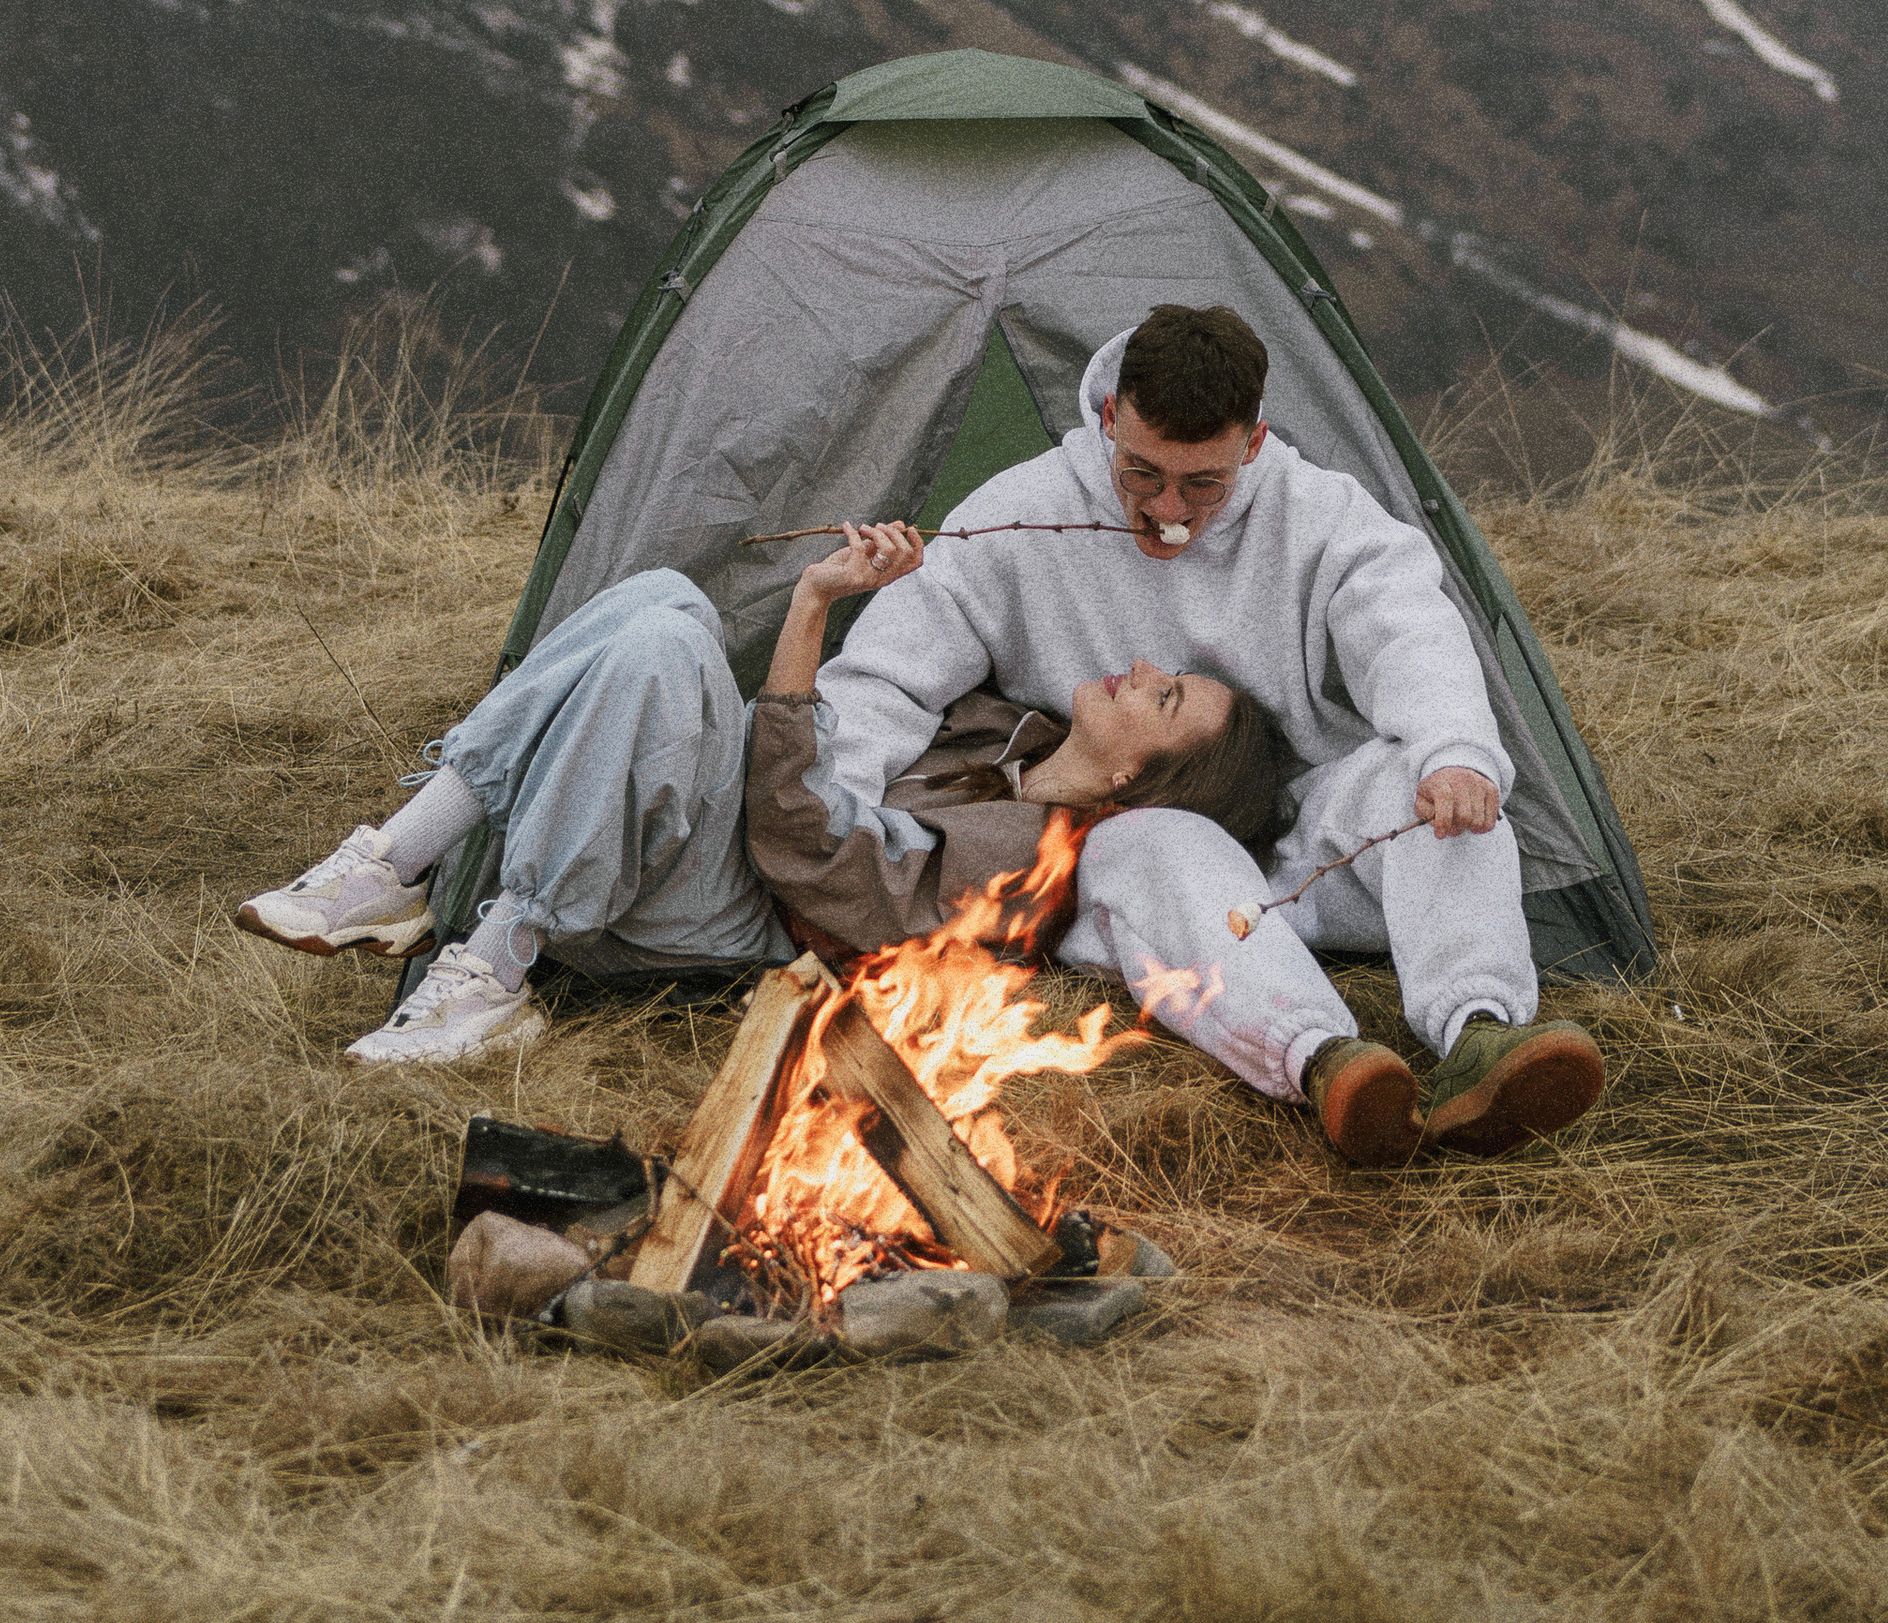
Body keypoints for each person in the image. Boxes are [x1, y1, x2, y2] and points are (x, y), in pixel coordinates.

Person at [806, 301, 1604, 1166]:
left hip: (1295, 841)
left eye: (1202, 485)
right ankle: (1327, 1062)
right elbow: (886, 675)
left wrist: (1454, 753)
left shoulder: (1319, 515)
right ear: (1109, 418)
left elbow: (1408, 626)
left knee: (1428, 777)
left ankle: (1480, 1029)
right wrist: (830, 821)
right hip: (1133, 835)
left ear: (1252, 444)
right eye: (1142, 473)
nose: (1168, 510)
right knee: (1156, 842)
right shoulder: (1020, 515)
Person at [233, 520, 1293, 1067]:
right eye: (1164, 672)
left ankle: (503, 959)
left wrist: (812, 607)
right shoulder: (1005, 732)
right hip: (724, 832)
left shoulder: (1022, 862)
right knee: (666, 600)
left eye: (1163, 698)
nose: (1141, 670)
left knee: (666, 646)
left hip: (733, 907)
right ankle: (393, 864)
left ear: (1135, 779)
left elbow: (803, 847)